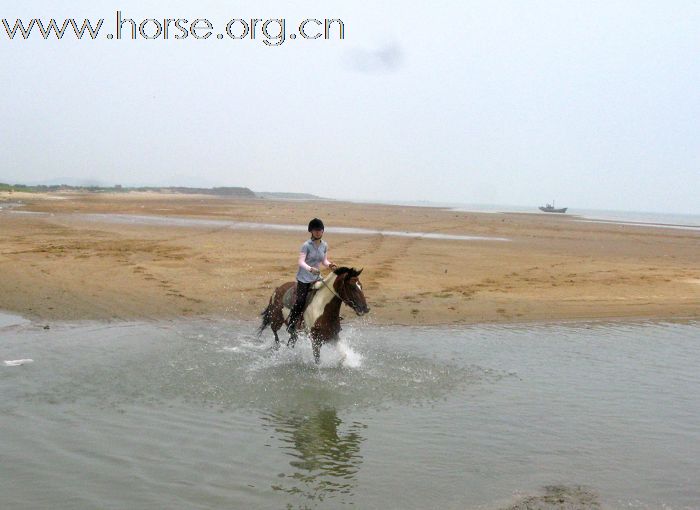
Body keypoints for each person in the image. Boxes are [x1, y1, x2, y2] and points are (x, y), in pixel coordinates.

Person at [286, 218, 337, 340]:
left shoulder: (324, 245)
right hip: (304, 278)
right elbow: (301, 262)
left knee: (327, 295)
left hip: (316, 277)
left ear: (323, 231)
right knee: (301, 301)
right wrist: (310, 269)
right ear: (311, 231)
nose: (318, 232)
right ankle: (292, 324)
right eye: (316, 230)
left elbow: (323, 260)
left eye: (320, 230)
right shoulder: (306, 245)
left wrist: (330, 265)